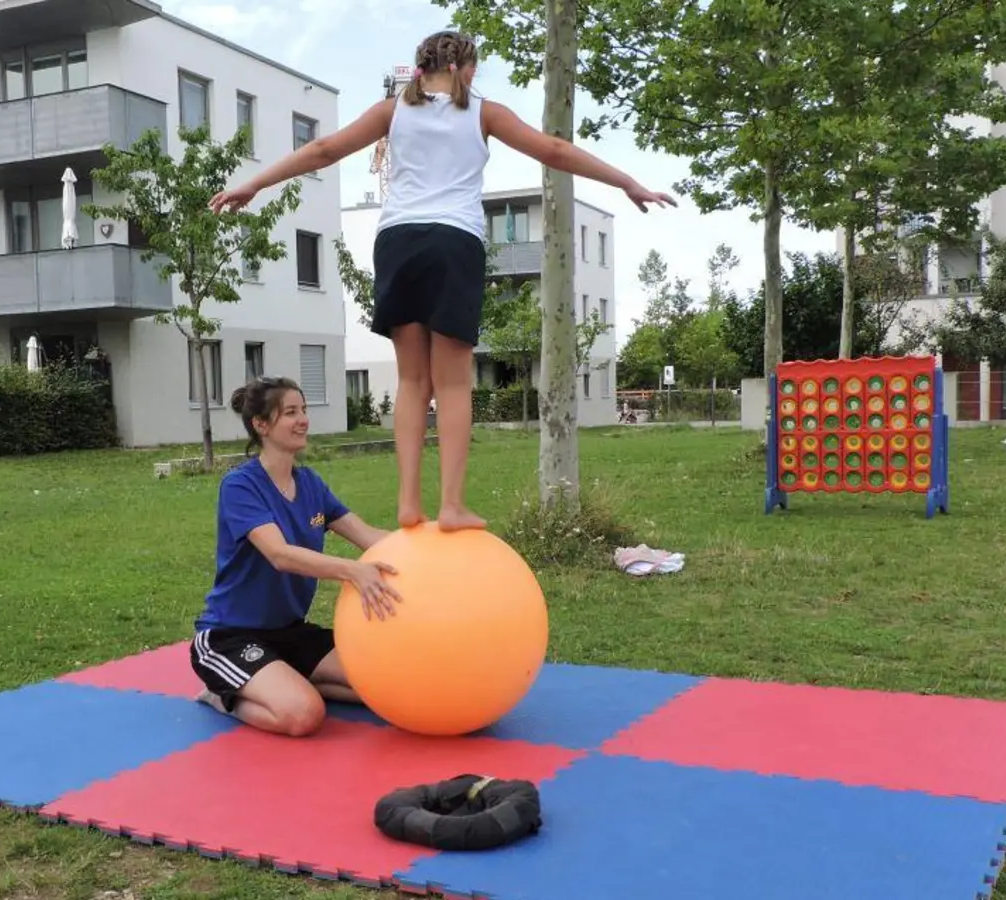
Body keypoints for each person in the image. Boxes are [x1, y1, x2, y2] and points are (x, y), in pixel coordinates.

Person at [208, 30, 676, 531]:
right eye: (474, 71)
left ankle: (409, 504)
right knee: (452, 383)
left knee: (412, 379)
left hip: (398, 242)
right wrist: (627, 180)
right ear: (464, 68)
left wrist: (254, 183)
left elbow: (324, 149)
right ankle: (451, 505)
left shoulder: (393, 109)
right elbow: (554, 150)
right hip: (453, 242)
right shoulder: (482, 111)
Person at [190, 376, 403, 737]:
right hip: (230, 637)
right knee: (303, 715)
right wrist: (353, 571)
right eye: (290, 412)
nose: (303, 419)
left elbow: (368, 537)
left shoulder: (310, 484)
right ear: (261, 425)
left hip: (290, 634)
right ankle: (221, 693)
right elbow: (280, 555)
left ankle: (284, 676)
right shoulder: (241, 485)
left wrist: (427, 544)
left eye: (303, 410)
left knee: (387, 686)